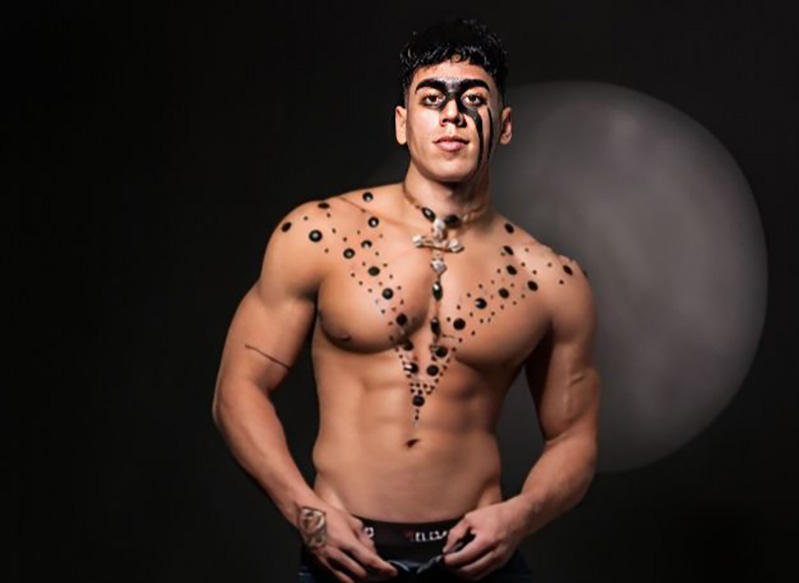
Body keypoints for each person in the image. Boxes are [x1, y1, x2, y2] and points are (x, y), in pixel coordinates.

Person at [212, 16, 600, 583]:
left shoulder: (549, 280)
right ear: (401, 123)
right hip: (344, 557)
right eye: (432, 99)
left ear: (505, 125)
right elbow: (237, 389)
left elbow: (574, 437)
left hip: (477, 563)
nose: (453, 115)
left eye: (474, 99)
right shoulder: (321, 234)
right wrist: (306, 512)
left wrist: (520, 516)